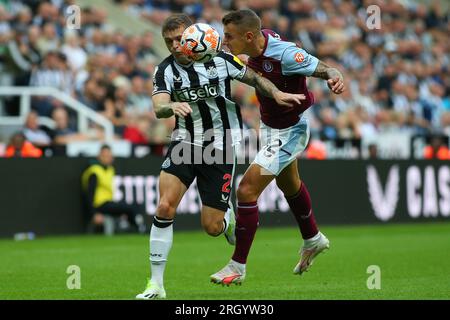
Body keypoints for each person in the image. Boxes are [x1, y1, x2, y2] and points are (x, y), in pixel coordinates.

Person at [136, 13, 305, 300]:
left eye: (179, 39)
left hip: (221, 146)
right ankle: (156, 285)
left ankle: (227, 221)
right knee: (165, 207)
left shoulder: (221, 60)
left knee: (211, 227)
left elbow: (255, 78)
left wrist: (276, 93)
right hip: (184, 143)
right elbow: (158, 106)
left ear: (192, 34)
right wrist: (171, 107)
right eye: (169, 42)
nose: (175, 46)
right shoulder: (165, 70)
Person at [211, 9, 345, 285]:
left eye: (229, 36)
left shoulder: (283, 53)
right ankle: (313, 238)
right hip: (270, 128)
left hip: (291, 129)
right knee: (290, 184)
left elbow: (319, 66)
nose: (225, 41)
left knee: (246, 189)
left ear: (249, 36)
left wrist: (333, 75)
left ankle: (237, 266)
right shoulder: (255, 46)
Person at [81, 145, 145, 234]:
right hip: (100, 205)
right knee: (131, 207)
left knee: (133, 206)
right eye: (105, 156)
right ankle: (140, 229)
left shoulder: (110, 169)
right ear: (99, 157)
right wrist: (94, 213)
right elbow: (89, 194)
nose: (108, 158)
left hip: (108, 202)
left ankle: (136, 228)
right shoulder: (94, 171)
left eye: (110, 156)